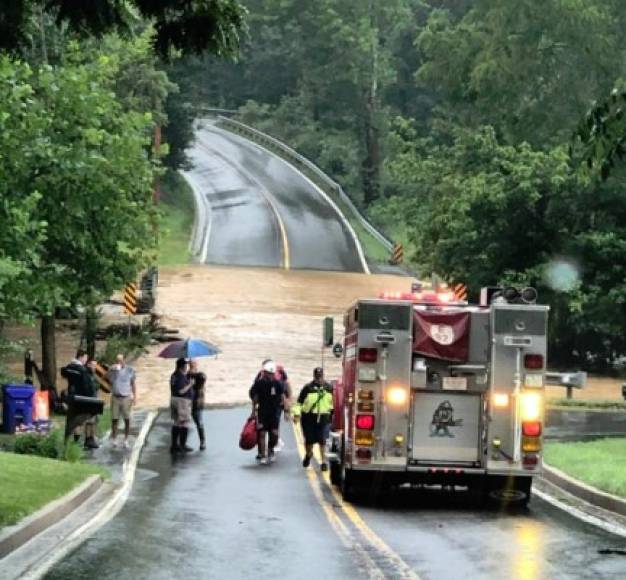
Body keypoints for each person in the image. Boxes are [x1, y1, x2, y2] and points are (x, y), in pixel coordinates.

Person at [292, 367, 334, 471]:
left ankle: (323, 462)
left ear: (323, 376)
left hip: (324, 418)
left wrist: (334, 416)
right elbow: (299, 403)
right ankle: (308, 454)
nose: (319, 379)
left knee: (322, 441)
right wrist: (297, 415)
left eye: (320, 376)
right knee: (309, 442)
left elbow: (334, 403)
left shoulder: (329, 388)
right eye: (317, 377)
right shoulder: (307, 388)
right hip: (309, 419)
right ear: (314, 376)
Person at [61, 349, 99, 449]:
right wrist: (91, 398)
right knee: (83, 419)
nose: (86, 360)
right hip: (82, 399)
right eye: (85, 358)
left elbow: (63, 373)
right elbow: (87, 387)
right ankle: (82, 441)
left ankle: (68, 442)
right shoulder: (82, 370)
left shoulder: (69, 367)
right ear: (81, 357)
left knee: (71, 419)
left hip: (72, 397)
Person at [249, 360, 285, 465]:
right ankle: (263, 455)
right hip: (262, 412)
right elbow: (255, 398)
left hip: (274, 412)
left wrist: (286, 410)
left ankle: (270, 450)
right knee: (262, 434)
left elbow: (282, 396)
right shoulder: (259, 383)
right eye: (265, 372)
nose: (266, 374)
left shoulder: (278, 384)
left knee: (274, 434)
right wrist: (253, 411)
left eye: (269, 373)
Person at [106, 353, 136, 449]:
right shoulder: (113, 371)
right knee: (115, 419)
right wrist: (110, 369)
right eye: (117, 360)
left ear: (124, 360)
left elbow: (133, 384)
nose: (118, 362)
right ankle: (114, 439)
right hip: (115, 397)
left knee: (127, 419)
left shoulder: (130, 370)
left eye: (120, 360)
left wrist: (135, 396)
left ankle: (126, 439)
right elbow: (105, 379)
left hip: (126, 397)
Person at [170, 357, 193, 453]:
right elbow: (181, 391)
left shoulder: (174, 375)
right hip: (181, 401)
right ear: (182, 366)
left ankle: (175, 445)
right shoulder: (180, 376)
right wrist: (190, 384)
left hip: (174, 399)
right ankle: (182, 445)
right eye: (185, 365)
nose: (186, 367)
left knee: (176, 422)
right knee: (184, 422)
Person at [188, 359, 207, 451]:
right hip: (190, 403)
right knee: (184, 423)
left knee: (199, 422)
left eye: (194, 364)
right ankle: (182, 443)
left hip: (197, 403)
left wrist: (193, 375)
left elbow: (202, 378)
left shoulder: (199, 376)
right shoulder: (188, 375)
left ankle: (202, 441)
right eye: (191, 364)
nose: (192, 365)